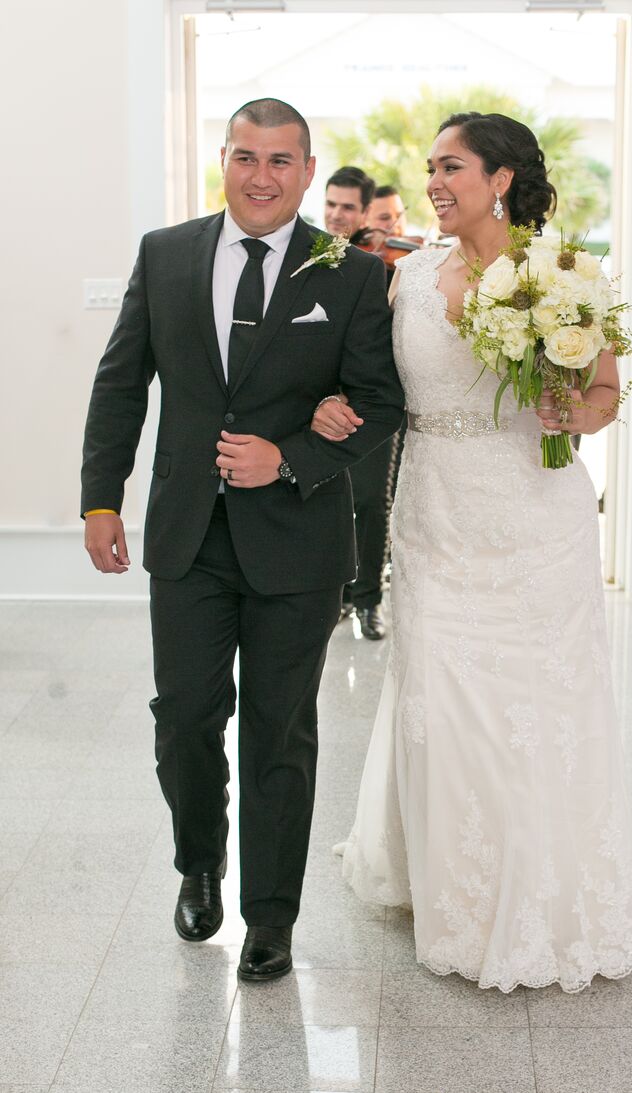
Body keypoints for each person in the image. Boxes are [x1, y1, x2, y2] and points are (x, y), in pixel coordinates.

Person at [313, 112, 632, 992]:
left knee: (542, 702)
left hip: (538, 517)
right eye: (428, 166)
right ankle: (456, 893)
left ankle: (546, 888)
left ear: (500, 178)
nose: (432, 180)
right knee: (443, 695)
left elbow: (605, 386)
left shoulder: (568, 274)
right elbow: (361, 374)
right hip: (435, 512)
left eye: (451, 165)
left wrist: (575, 413)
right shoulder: (408, 275)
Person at [81, 98, 403, 983]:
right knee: (184, 717)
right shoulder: (166, 253)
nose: (261, 176)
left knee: (279, 733)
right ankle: (198, 862)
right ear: (222, 158)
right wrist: (99, 498)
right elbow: (121, 383)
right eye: (245, 156)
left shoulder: (348, 272)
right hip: (186, 536)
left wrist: (291, 456)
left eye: (281, 160)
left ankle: (271, 916)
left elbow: (378, 404)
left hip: (296, 542)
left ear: (307, 171)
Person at [322, 167, 396, 640]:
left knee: (371, 503)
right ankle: (336, 597)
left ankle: (369, 599)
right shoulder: (306, 258)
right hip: (318, 407)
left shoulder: (390, 264)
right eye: (331, 204)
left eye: (348, 207)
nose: (336, 215)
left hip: (370, 406)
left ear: (367, 212)